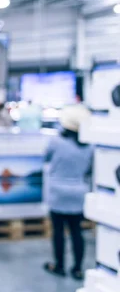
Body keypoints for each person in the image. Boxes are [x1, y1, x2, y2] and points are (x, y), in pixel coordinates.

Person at [43, 104, 93, 280]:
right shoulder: (90, 146)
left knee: (58, 232)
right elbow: (90, 169)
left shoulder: (56, 142)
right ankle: (78, 269)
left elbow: (46, 157)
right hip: (79, 193)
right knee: (77, 231)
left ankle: (59, 266)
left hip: (58, 193)